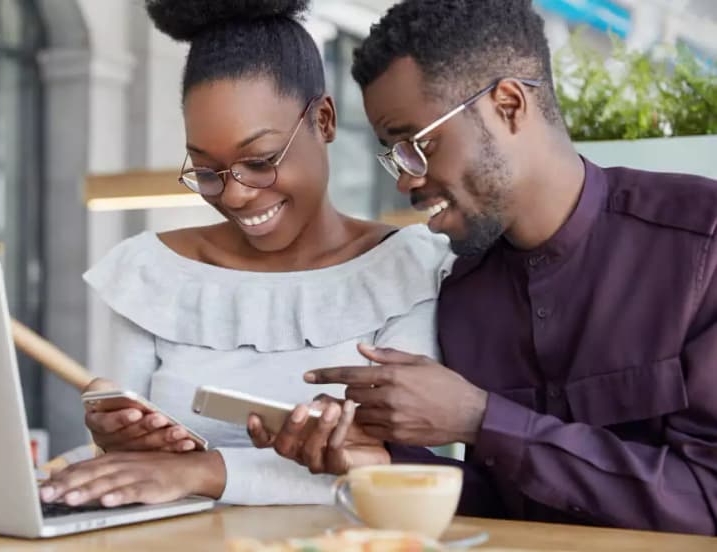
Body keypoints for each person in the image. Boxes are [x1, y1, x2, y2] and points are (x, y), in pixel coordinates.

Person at [249, 0, 717, 536]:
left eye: (418, 144)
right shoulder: (466, 295)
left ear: (510, 104)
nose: (405, 179)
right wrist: (381, 463)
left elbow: (706, 498)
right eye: (394, 153)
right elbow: (512, 501)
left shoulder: (702, 242)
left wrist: (480, 417)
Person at [38, 0, 455, 509]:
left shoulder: (408, 269)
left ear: (323, 120)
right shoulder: (153, 271)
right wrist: (117, 438)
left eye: (259, 161)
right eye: (207, 171)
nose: (234, 196)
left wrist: (198, 470)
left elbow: (390, 468)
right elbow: (131, 466)